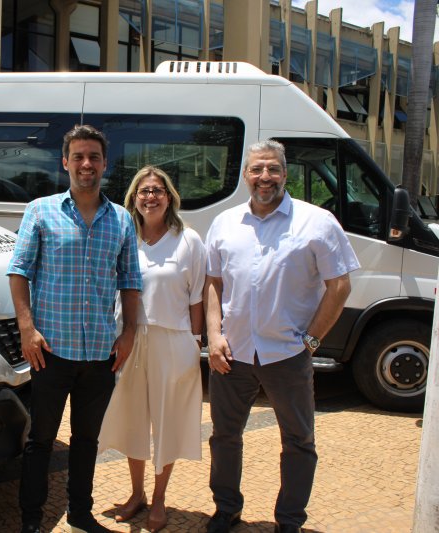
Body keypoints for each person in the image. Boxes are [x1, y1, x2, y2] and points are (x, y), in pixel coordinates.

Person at [203, 140, 360, 533]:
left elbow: (339, 285)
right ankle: (226, 508)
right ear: (245, 175)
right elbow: (213, 283)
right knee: (224, 437)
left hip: (288, 355)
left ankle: (289, 520)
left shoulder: (317, 222)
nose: (265, 177)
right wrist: (214, 335)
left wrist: (312, 341)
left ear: (285, 174)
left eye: (273, 169)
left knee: (299, 440)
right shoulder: (225, 223)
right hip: (232, 353)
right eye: (257, 169)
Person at [7, 124, 142, 533]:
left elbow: (130, 281)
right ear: (65, 162)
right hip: (50, 352)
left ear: (105, 164)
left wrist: (129, 332)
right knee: (41, 440)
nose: (87, 164)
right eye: (79, 156)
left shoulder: (121, 220)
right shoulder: (40, 210)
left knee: (87, 441)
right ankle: (31, 520)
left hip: (101, 353)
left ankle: (81, 514)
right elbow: (18, 271)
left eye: (94, 157)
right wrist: (27, 330)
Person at [98, 166, 206, 532]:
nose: (151, 197)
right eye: (144, 191)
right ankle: (137, 493)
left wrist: (195, 343)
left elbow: (197, 298)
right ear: (134, 198)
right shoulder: (125, 237)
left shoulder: (188, 240)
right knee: (133, 419)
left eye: (158, 190)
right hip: (131, 338)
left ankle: (159, 498)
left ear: (170, 197)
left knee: (167, 422)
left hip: (173, 340)